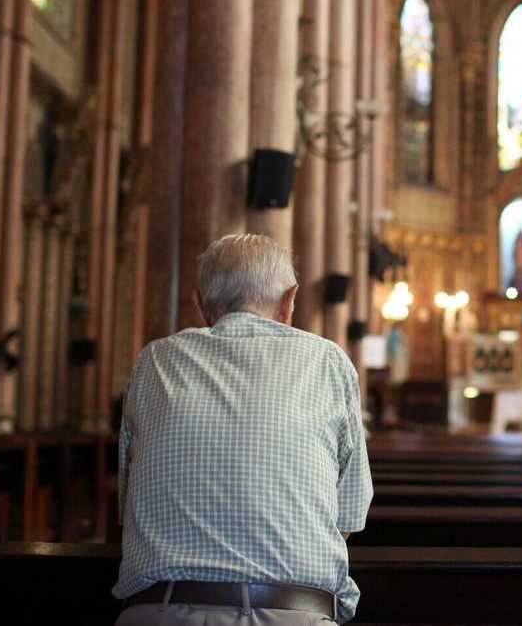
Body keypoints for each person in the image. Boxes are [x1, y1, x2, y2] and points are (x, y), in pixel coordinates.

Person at [113, 234, 373, 626]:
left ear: (200, 303)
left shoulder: (154, 361)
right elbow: (347, 520)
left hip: (159, 612)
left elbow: (128, 505)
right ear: (290, 300)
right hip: (292, 615)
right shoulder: (328, 361)